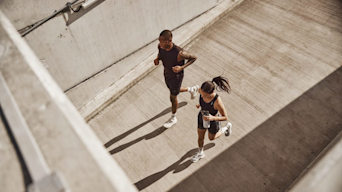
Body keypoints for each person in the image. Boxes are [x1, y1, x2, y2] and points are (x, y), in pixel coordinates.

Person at [154, 30, 199, 128]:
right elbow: (160, 53)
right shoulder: (160, 47)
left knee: (173, 97)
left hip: (176, 77)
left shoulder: (179, 53)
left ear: (169, 41)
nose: (160, 43)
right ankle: (192, 89)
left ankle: (173, 117)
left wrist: (182, 67)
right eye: (159, 41)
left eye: (162, 41)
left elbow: (194, 57)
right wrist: (158, 59)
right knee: (174, 90)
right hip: (167, 74)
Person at [191, 76, 233, 162]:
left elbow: (225, 117)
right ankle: (200, 153)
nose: (202, 96)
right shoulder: (201, 90)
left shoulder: (217, 101)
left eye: (205, 95)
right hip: (202, 117)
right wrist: (200, 104)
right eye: (201, 94)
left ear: (211, 92)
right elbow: (201, 97)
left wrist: (212, 118)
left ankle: (226, 128)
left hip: (213, 120)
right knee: (200, 137)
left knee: (211, 138)